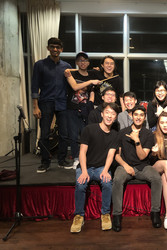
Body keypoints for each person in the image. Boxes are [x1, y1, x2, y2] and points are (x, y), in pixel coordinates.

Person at [70, 102, 120, 233]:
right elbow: (82, 152)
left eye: (113, 114)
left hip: (101, 167)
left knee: (107, 183)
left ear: (115, 117)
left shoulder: (115, 134)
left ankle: (105, 214)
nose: (110, 116)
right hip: (85, 166)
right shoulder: (89, 129)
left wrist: (105, 170)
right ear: (102, 114)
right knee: (81, 184)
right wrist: (84, 171)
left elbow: (110, 155)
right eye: (107, 113)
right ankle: (79, 216)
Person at [112, 105, 162, 232]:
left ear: (144, 117)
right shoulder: (123, 132)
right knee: (117, 180)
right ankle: (117, 216)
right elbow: (116, 155)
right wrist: (126, 166)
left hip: (142, 166)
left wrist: (137, 141)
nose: (138, 117)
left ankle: (155, 213)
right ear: (132, 116)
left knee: (156, 178)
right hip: (125, 165)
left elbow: (142, 156)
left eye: (141, 115)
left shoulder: (148, 134)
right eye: (136, 115)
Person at [31, 37, 73, 173]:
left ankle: (61, 160)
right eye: (52, 47)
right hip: (45, 102)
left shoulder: (67, 67)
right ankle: (45, 162)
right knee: (44, 133)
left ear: (61, 49)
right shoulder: (40, 65)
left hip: (62, 102)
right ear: (48, 48)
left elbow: (73, 84)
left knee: (64, 134)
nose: (55, 49)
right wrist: (35, 106)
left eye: (58, 47)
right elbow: (34, 86)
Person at [64, 52, 101, 169]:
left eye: (85, 60)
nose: (83, 62)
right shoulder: (71, 74)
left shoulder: (92, 73)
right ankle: (76, 158)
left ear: (88, 62)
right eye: (80, 60)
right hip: (72, 108)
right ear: (76, 62)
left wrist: (90, 105)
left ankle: (85, 158)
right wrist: (91, 81)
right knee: (74, 135)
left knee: (86, 134)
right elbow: (75, 87)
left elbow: (92, 91)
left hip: (86, 109)